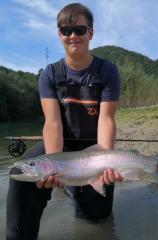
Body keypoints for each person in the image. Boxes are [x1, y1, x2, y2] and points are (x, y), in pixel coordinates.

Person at [6, 3, 122, 240]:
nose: (73, 36)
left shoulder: (107, 70)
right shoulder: (49, 74)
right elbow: (52, 123)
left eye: (80, 30)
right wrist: (53, 164)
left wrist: (105, 160)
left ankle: (76, 192)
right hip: (61, 146)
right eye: (66, 30)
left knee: (96, 217)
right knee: (21, 182)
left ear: (91, 32)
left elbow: (107, 119)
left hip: (94, 147)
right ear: (59, 34)